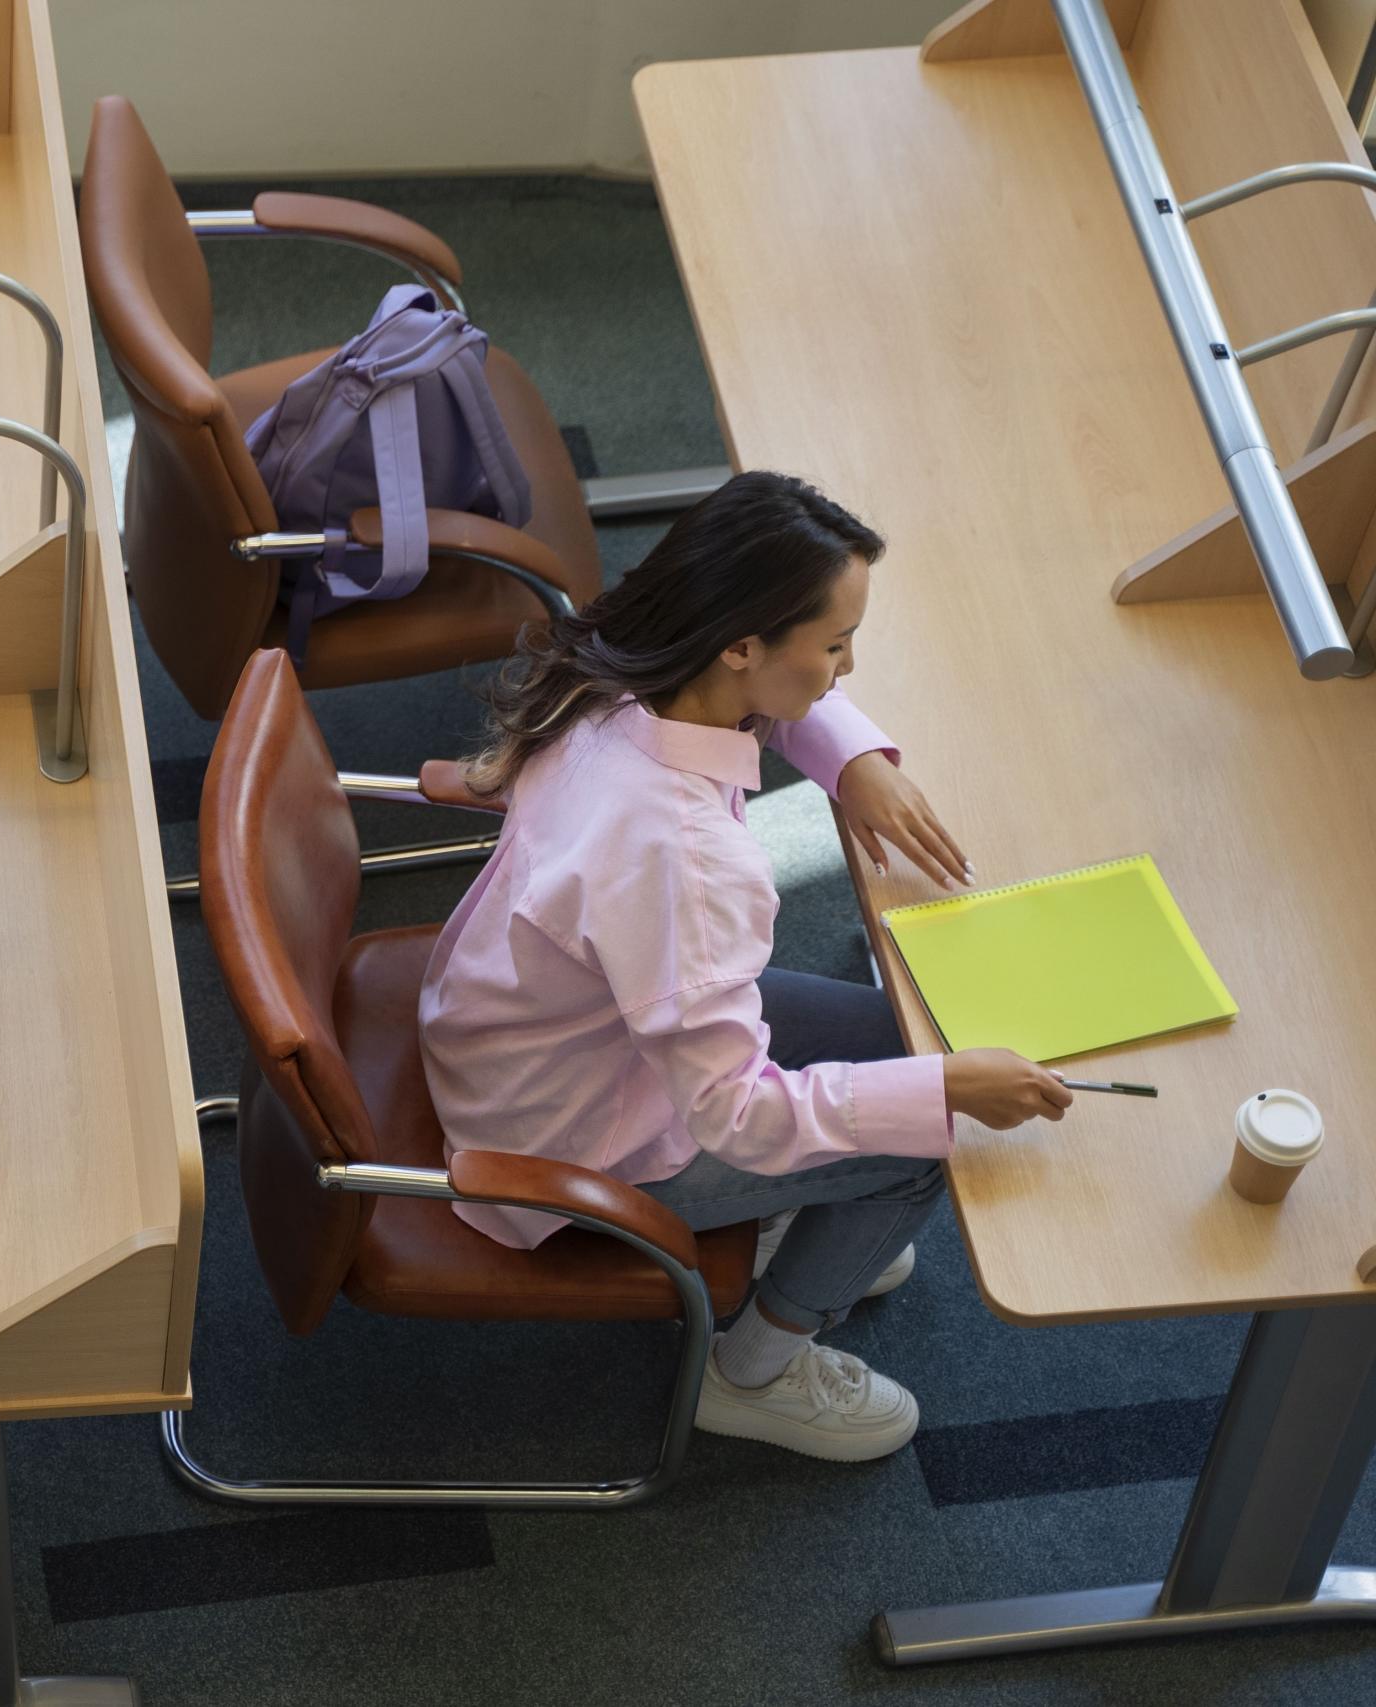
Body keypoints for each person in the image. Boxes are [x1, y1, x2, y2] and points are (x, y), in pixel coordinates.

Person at [418, 470, 1071, 1463]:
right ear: (743, 644)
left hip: (530, 1031)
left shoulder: (616, 674)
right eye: (836, 644)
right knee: (919, 1141)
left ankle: (803, 1223)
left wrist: (854, 760)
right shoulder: (690, 860)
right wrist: (946, 1091)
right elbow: (739, 1116)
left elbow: (771, 693)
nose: (848, 667)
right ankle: (752, 1373)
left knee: (893, 1038)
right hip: (566, 1137)